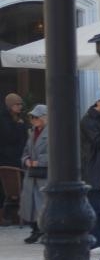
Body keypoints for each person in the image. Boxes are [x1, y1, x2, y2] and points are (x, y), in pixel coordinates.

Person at [80, 98, 100, 248]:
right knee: (96, 205)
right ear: (99, 103)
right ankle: (95, 238)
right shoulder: (89, 120)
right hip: (94, 168)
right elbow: (98, 142)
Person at [20, 103, 48, 244]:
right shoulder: (32, 132)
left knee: (42, 203)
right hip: (31, 173)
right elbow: (26, 151)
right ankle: (35, 229)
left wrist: (39, 161)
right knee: (30, 203)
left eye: (36, 117)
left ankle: (44, 230)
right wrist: (26, 161)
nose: (33, 120)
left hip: (44, 174)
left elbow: (56, 153)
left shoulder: (52, 132)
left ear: (44, 117)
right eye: (32, 117)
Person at [1, 92, 28, 169]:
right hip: (7, 160)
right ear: (10, 106)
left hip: (20, 157)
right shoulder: (3, 120)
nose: (20, 106)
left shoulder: (20, 118)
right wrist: (19, 126)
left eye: (21, 104)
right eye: (17, 104)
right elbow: (9, 137)